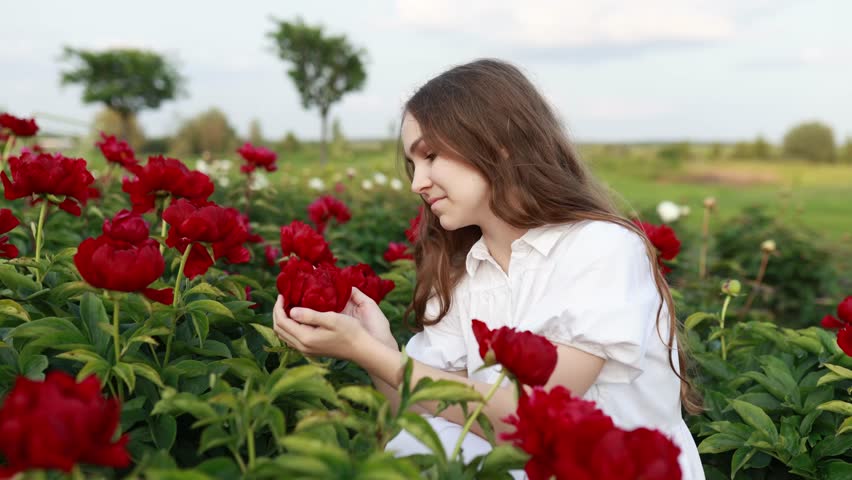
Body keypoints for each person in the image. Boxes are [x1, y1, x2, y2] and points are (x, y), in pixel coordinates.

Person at [273, 58, 705, 479]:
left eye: (431, 155)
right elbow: (419, 410)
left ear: (497, 143)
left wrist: (365, 352)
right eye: (413, 164)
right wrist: (374, 341)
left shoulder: (601, 247)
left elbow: (534, 420)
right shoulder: (465, 272)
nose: (416, 182)